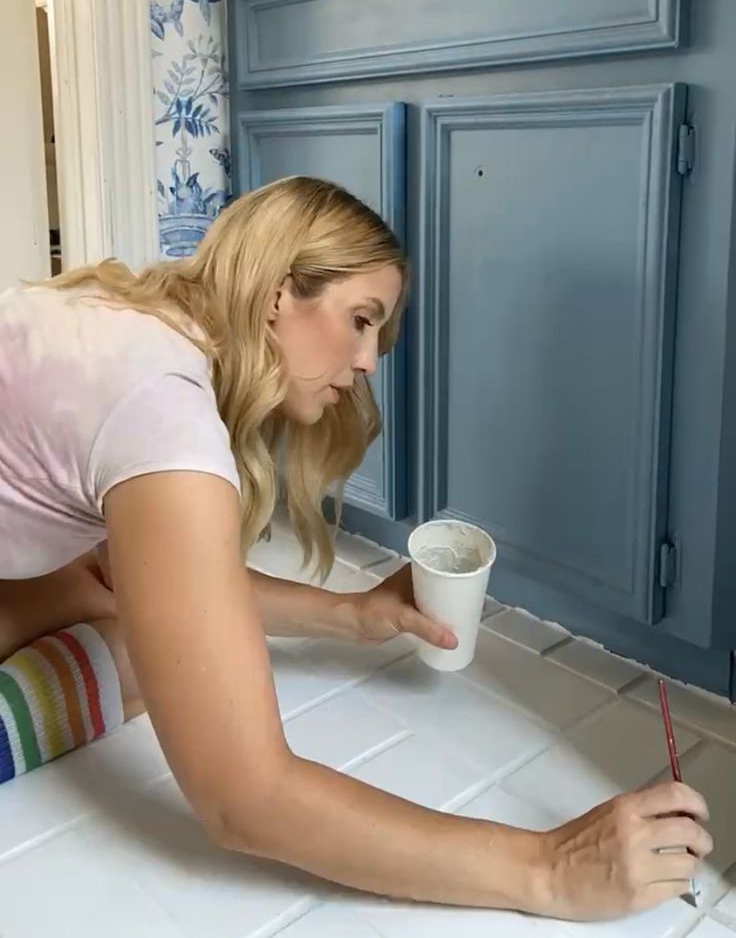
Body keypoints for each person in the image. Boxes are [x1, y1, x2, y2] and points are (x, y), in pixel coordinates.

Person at [0, 176, 711, 921]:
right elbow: (243, 798)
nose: (370, 360)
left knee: (117, 618)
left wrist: (353, 615)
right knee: (137, 662)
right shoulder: (162, 408)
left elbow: (124, 575)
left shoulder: (136, 327)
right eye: (361, 319)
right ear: (279, 292)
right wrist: (547, 868)